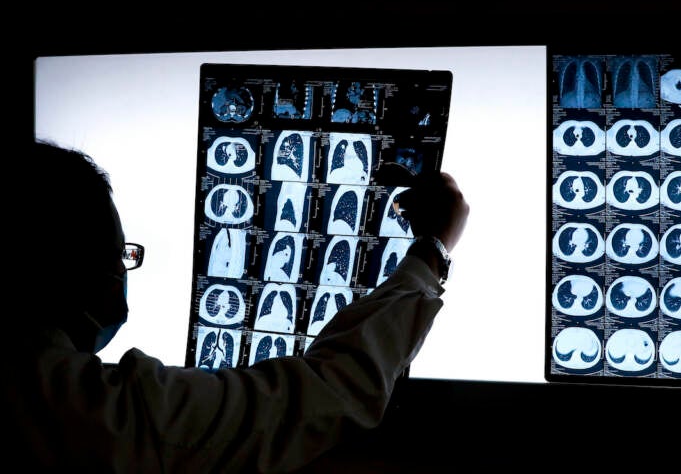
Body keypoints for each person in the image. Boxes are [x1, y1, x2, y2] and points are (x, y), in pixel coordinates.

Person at [5, 139, 469, 472]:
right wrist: (433, 251)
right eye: (118, 257)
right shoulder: (86, 410)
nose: (121, 274)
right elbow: (323, 395)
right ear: (73, 270)